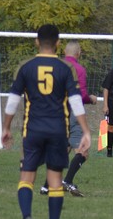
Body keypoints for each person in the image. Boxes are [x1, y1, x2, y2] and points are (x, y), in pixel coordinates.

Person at [1, 24, 91, 219]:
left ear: (36, 42)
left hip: (32, 129)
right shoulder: (65, 69)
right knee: (55, 181)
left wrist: (6, 128)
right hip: (58, 130)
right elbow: (75, 101)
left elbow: (13, 101)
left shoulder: (26, 67)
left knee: (27, 178)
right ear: (58, 43)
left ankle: (27, 217)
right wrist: (86, 131)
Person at [40, 41, 97, 197]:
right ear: (79, 53)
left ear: (64, 52)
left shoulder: (53, 67)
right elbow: (81, 95)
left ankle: (46, 186)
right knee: (83, 150)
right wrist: (91, 99)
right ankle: (67, 181)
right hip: (73, 111)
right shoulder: (79, 69)